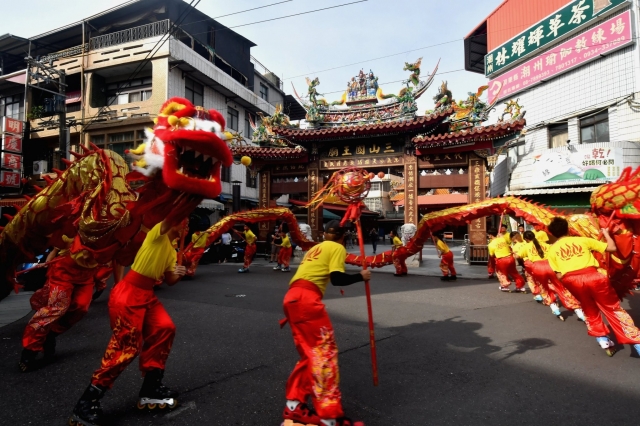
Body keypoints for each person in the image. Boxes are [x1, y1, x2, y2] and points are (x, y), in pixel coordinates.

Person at [69, 218, 187, 425]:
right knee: (126, 347)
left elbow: (169, 280)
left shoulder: (171, 250)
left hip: (146, 295)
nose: (185, 226)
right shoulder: (157, 235)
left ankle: (151, 387)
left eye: (186, 223)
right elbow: (172, 215)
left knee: (165, 328)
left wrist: (179, 272)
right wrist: (189, 193)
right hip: (128, 294)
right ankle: (87, 402)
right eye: (183, 222)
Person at [282, 220, 369, 426]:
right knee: (324, 353)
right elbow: (337, 278)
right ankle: (329, 416)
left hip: (292, 297)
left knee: (310, 354)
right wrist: (361, 276)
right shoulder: (337, 247)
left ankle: (294, 404)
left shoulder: (317, 247)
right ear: (343, 236)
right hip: (306, 300)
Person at [546, 217, 640, 356]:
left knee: (589, 309)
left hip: (571, 280)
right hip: (594, 277)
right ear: (568, 229)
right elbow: (612, 248)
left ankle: (603, 340)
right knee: (612, 309)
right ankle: (636, 342)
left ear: (552, 233)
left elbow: (559, 275)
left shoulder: (552, 251)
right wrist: (606, 234)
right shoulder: (582, 240)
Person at [19, 247, 122, 372]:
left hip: (86, 276)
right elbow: (56, 247)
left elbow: (118, 259)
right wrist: (47, 262)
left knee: (81, 308)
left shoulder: (121, 233)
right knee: (56, 308)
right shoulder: (78, 228)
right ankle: (30, 350)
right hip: (64, 271)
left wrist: (119, 285)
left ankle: (50, 335)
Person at [487, 227, 525, 292]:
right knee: (514, 272)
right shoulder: (503, 239)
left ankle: (505, 286)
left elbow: (492, 255)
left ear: (490, 235)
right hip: (510, 258)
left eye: (488, 234)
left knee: (501, 273)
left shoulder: (491, 244)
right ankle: (520, 286)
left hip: (501, 260)